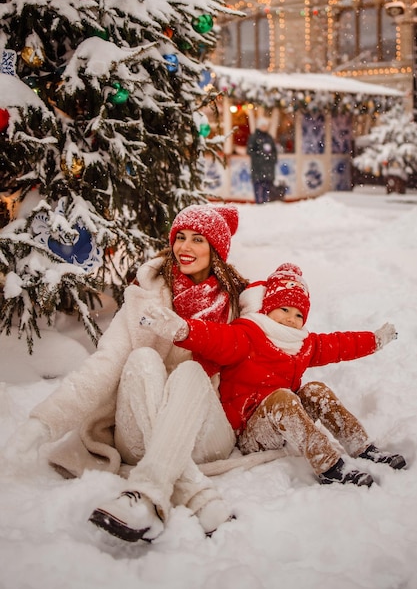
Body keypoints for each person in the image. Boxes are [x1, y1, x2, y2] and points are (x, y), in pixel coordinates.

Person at [4, 204, 250, 543]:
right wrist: (43, 423)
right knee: (142, 359)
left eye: (198, 240)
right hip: (140, 432)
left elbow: (263, 356)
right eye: (180, 237)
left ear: (217, 250)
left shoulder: (238, 303)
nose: (185, 248)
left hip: (205, 433)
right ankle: (183, 493)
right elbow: (104, 364)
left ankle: (154, 491)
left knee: (191, 371)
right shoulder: (146, 297)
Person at [142, 263, 406, 488]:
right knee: (282, 397)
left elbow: (339, 344)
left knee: (315, 390)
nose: (291, 319)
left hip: (287, 420)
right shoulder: (247, 335)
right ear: (268, 308)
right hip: (250, 432)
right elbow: (214, 338)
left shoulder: (303, 344)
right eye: (284, 310)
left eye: (298, 314)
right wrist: (181, 329)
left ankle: (363, 447)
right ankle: (329, 465)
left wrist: (374, 340)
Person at [246, 117, 278, 204]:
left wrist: (272, 159)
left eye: (265, 126)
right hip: (258, 167)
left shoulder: (269, 137)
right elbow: (250, 150)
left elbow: (274, 150)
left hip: (268, 166)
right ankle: (258, 201)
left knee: (267, 184)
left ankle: (265, 200)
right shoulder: (254, 137)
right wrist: (260, 157)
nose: (265, 127)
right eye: (263, 125)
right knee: (258, 184)